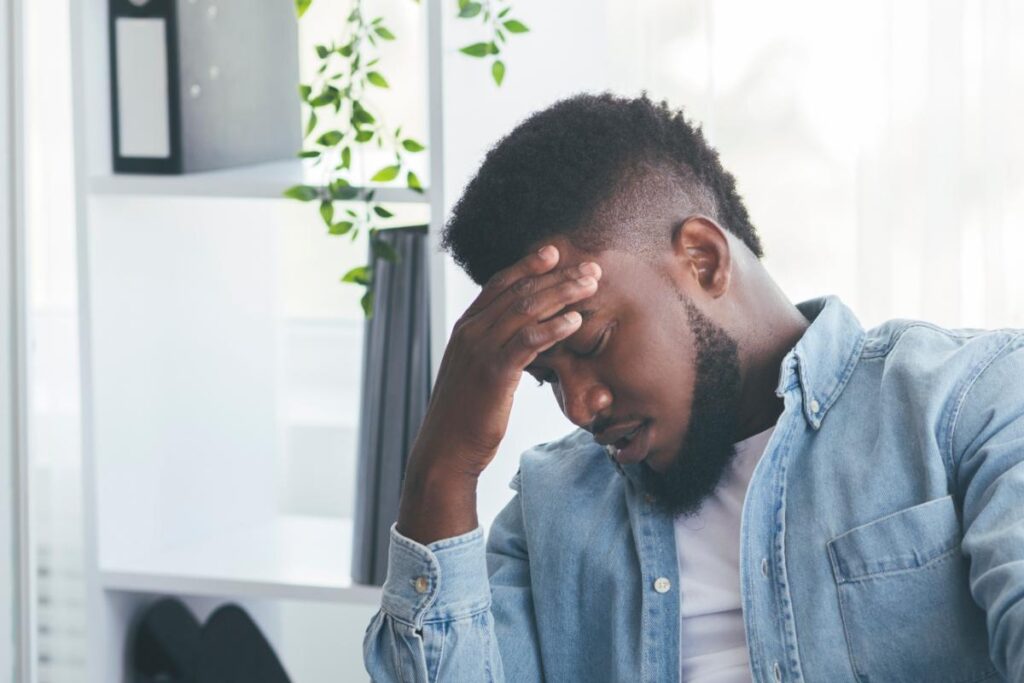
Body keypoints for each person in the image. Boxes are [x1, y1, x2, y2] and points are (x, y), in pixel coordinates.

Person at [363, 93, 1023, 682]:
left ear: (703, 259)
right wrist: (443, 468)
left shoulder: (967, 400)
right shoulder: (549, 511)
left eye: (589, 344)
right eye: (546, 378)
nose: (579, 404)